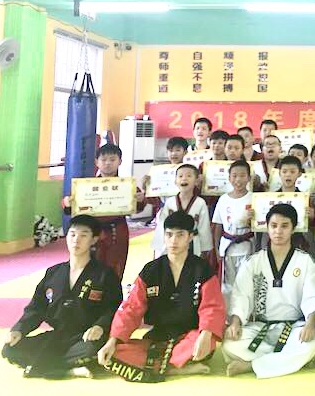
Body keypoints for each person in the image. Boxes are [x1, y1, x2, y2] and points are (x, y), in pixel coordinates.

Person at [98, 211, 225, 382]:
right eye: (169, 235)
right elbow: (131, 308)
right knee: (114, 352)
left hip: (190, 335)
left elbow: (212, 306)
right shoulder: (151, 270)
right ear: (163, 236)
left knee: (206, 342)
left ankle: (158, 365)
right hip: (158, 337)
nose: (173, 241)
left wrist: (206, 334)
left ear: (190, 237)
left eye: (180, 235)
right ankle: (175, 368)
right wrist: (113, 340)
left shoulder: (202, 269)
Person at [2, 215, 122, 379]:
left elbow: (113, 307)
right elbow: (36, 308)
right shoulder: (53, 273)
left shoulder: (104, 274)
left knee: (92, 351)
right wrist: (19, 329)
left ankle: (41, 366)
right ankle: (68, 369)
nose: (76, 240)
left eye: (83, 235)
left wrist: (100, 326)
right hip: (57, 336)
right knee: (10, 349)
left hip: (85, 338)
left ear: (94, 240)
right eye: (72, 234)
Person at [222, 204, 315, 378]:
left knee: (314, 341)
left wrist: (310, 324)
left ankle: (252, 365)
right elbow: (241, 295)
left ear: (293, 229)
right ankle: (286, 359)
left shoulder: (305, 261)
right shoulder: (254, 261)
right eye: (274, 226)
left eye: (284, 226)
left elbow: (313, 296)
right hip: (260, 327)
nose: (278, 231)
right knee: (230, 344)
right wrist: (236, 322)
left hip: (294, 328)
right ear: (267, 228)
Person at [63, 144, 145, 280]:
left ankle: (114, 292)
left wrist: (141, 200)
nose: (108, 163)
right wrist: (67, 203)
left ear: (120, 161)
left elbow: (138, 208)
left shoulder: (127, 185)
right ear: (97, 162)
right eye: (104, 159)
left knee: (116, 268)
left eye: (112, 159)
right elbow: (70, 209)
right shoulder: (86, 186)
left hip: (117, 231)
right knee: (87, 268)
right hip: (92, 232)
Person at [212, 160, 255, 299]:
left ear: (249, 178)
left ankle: (245, 310)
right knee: (227, 284)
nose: (238, 180)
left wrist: (254, 218)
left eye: (242, 175)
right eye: (234, 176)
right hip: (227, 246)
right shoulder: (223, 199)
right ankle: (229, 310)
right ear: (229, 178)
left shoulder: (254, 198)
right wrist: (216, 249)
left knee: (246, 283)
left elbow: (261, 226)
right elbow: (218, 226)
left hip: (247, 246)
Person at [151, 164, 212, 259]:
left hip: (192, 243)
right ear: (175, 181)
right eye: (180, 176)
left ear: (196, 181)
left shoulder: (200, 203)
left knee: (191, 267)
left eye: (189, 176)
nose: (184, 178)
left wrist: (204, 250)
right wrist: (158, 249)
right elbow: (162, 226)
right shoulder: (170, 202)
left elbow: (204, 228)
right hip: (172, 242)